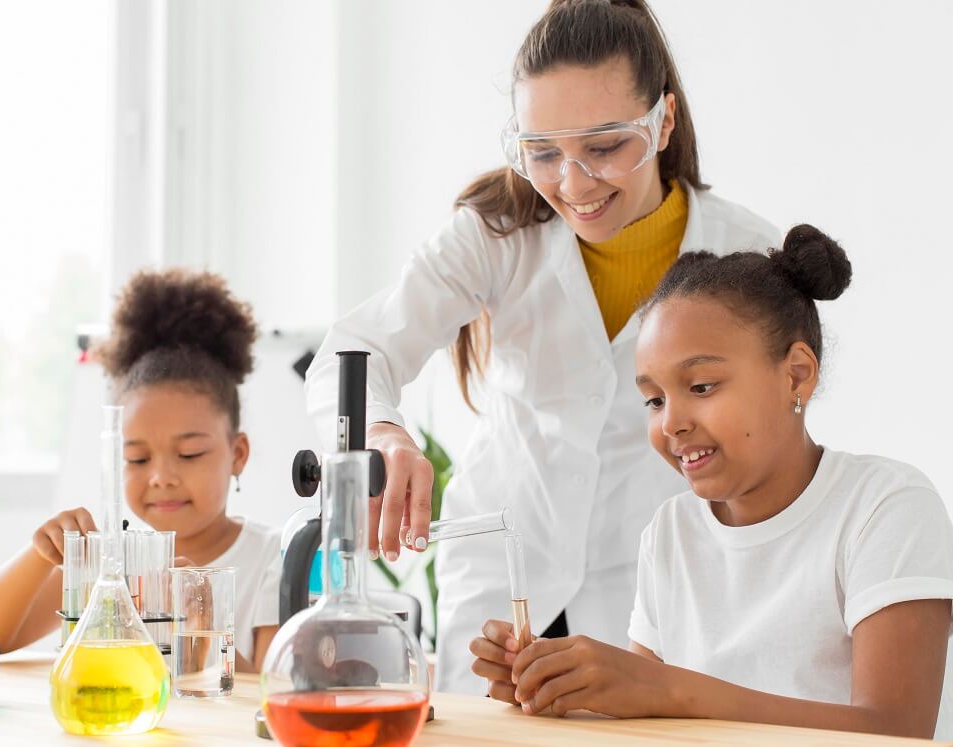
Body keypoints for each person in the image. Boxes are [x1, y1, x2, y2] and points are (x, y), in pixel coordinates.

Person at [305, 0, 778, 692]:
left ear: (663, 121)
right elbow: (354, 348)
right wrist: (382, 433)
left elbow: (774, 445)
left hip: (662, 593)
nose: (574, 184)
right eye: (544, 152)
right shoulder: (496, 235)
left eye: (606, 146)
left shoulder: (746, 251)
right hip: (502, 581)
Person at [470, 225, 953, 738]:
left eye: (701, 386)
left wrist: (670, 690)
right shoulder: (671, 531)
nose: (671, 423)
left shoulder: (885, 508)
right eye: (654, 399)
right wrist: (559, 688)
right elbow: (645, 718)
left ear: (796, 375)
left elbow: (896, 731)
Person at [0, 269, 281, 671]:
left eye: (189, 454)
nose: (161, 477)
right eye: (137, 458)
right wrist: (40, 556)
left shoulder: (276, 559)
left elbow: (273, 693)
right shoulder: (109, 561)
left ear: (237, 454)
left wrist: (205, 624)